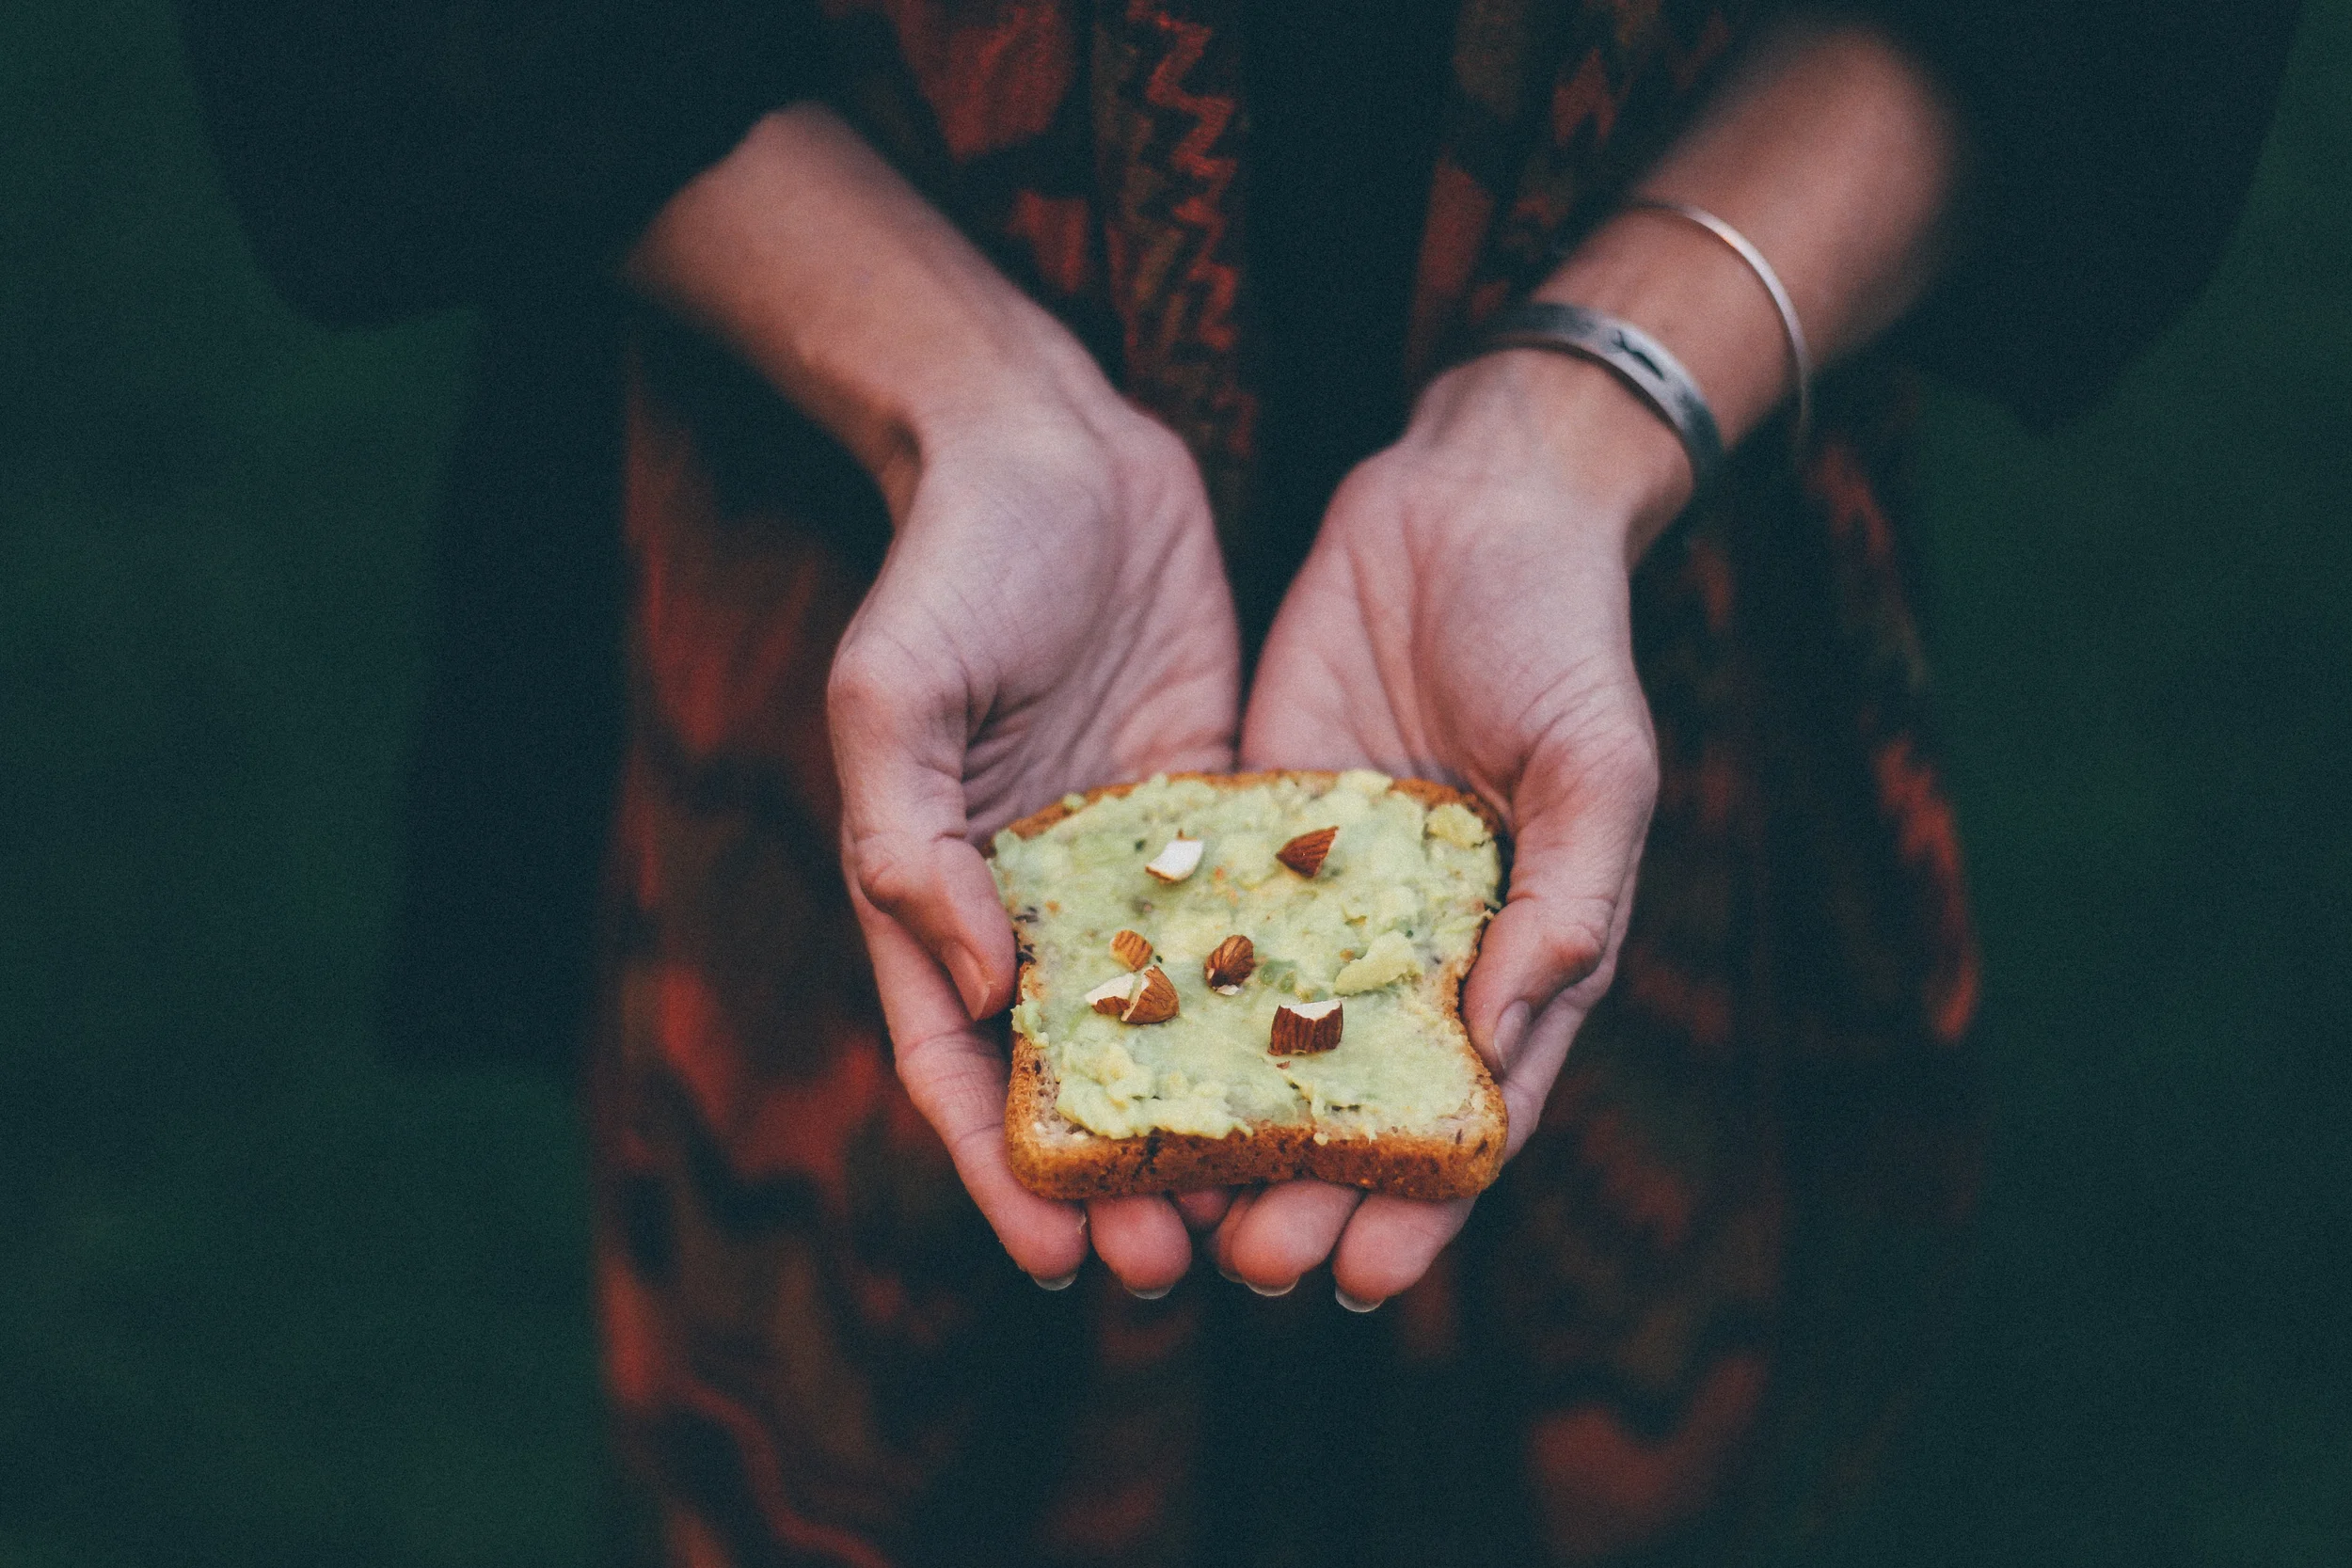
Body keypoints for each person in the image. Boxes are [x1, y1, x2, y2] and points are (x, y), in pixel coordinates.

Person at [183, 1, 2298, 1560]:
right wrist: (956, 402)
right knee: (864, 1382)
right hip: (815, 435)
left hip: (1653, 485)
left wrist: (1591, 416)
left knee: (1566, 1390)